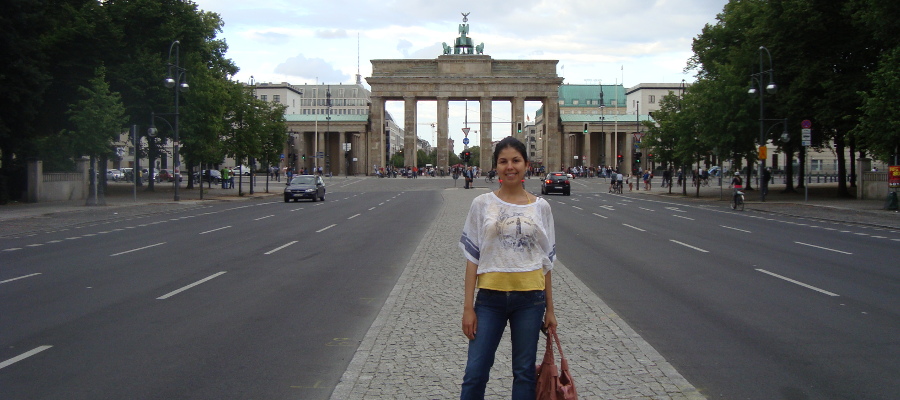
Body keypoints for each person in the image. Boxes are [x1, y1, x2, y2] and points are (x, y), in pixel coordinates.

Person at [460, 136, 557, 399]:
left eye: (516, 160)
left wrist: (550, 309)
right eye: (503, 161)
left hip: (530, 299)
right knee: (475, 371)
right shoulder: (481, 204)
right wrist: (468, 308)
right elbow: (472, 258)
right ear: (496, 166)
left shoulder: (541, 207)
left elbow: (546, 261)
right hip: (489, 298)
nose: (509, 166)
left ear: (526, 165)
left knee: (524, 372)